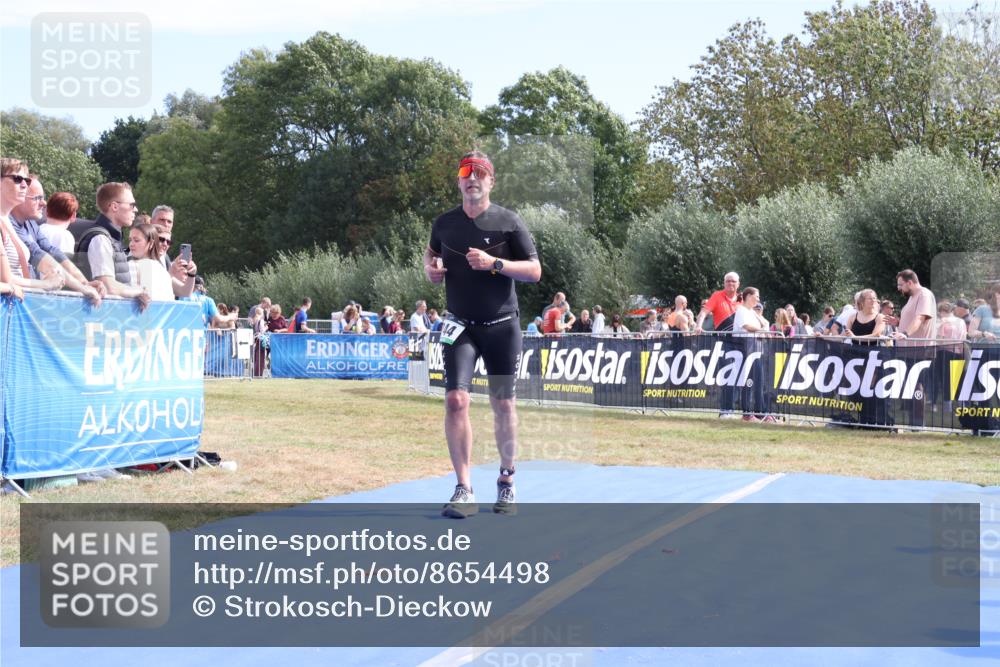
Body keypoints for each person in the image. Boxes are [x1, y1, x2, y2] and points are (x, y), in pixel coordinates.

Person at [424, 150, 541, 518]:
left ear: (491, 181)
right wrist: (430, 269)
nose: (472, 177)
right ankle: (464, 488)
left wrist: (496, 264)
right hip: (459, 326)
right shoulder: (444, 223)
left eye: (480, 173)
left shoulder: (508, 221)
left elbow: (535, 270)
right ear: (459, 181)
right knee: (456, 400)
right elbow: (429, 254)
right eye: (465, 172)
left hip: (502, 327)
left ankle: (506, 481)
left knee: (503, 404)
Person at [74, 182, 151, 311]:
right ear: (114, 206)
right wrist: (138, 291)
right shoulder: (100, 239)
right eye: (132, 205)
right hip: (98, 318)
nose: (136, 210)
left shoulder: (110, 238)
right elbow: (109, 287)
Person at [695, 271, 741, 417]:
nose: (730, 284)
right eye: (728, 281)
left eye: (733, 281)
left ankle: (733, 409)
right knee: (726, 375)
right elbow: (703, 313)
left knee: (739, 376)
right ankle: (725, 410)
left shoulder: (742, 298)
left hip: (741, 342)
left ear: (738, 284)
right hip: (724, 342)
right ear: (724, 283)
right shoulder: (717, 296)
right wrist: (698, 325)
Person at [126, 223, 195, 301]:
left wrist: (191, 274)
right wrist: (171, 272)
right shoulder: (130, 263)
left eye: (168, 242)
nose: (165, 244)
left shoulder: (163, 265)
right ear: (152, 241)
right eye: (161, 239)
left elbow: (185, 292)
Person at [733, 287, 771, 422]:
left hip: (757, 349)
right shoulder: (741, 310)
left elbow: (766, 323)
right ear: (748, 296)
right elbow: (747, 327)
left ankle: (761, 412)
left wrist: (760, 320)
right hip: (746, 349)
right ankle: (747, 413)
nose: (759, 299)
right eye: (757, 296)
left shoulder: (752, 311)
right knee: (748, 381)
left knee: (759, 382)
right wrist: (762, 330)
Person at [894, 269, 937, 343]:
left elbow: (920, 318)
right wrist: (898, 323)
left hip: (919, 350)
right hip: (909, 349)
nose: (898, 288)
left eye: (901, 285)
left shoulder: (924, 294)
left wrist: (905, 334)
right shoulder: (912, 297)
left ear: (910, 282)